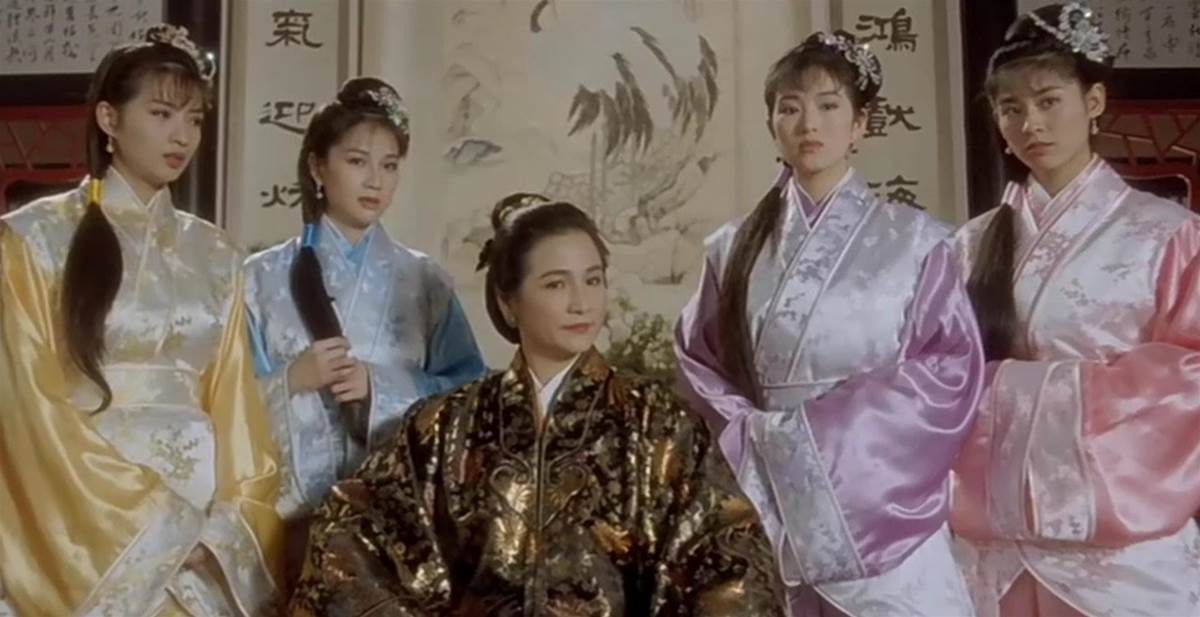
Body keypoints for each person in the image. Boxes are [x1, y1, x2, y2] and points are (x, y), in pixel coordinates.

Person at [289, 193, 785, 616]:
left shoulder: (658, 424)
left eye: (593, 280)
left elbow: (732, 560)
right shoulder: (445, 427)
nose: (581, 302)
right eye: (556, 284)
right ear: (508, 302)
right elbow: (349, 539)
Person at [674, 31, 984, 616]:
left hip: (881, 507)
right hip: (765, 494)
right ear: (772, 124)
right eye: (789, 108)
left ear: (861, 124)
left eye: (828, 105)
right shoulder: (731, 248)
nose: (808, 123)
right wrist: (755, 436)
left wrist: (814, 441)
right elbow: (698, 364)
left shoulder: (918, 242)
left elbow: (949, 371)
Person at [0, 25, 280, 616]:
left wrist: (224, 526)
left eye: (195, 119)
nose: (183, 136)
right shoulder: (33, 239)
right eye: (161, 114)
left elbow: (237, 408)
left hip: (204, 534)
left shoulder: (217, 254)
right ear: (109, 118)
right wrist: (155, 524)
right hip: (94, 518)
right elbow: (27, 406)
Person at [950, 4, 1200, 615]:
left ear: (1093, 101)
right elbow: (937, 378)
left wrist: (1021, 392)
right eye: (1010, 108)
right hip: (995, 548)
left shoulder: (1166, 233)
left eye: (1047, 101)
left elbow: (1190, 375)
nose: (1030, 123)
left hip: (1122, 548)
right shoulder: (970, 244)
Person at [243, 77, 485, 579]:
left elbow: (470, 397)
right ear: (318, 167)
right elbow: (225, 407)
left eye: (389, 165)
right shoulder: (259, 280)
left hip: (398, 532)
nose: (376, 181)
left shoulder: (425, 281)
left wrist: (382, 387)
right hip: (284, 530)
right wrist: (290, 380)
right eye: (357, 162)